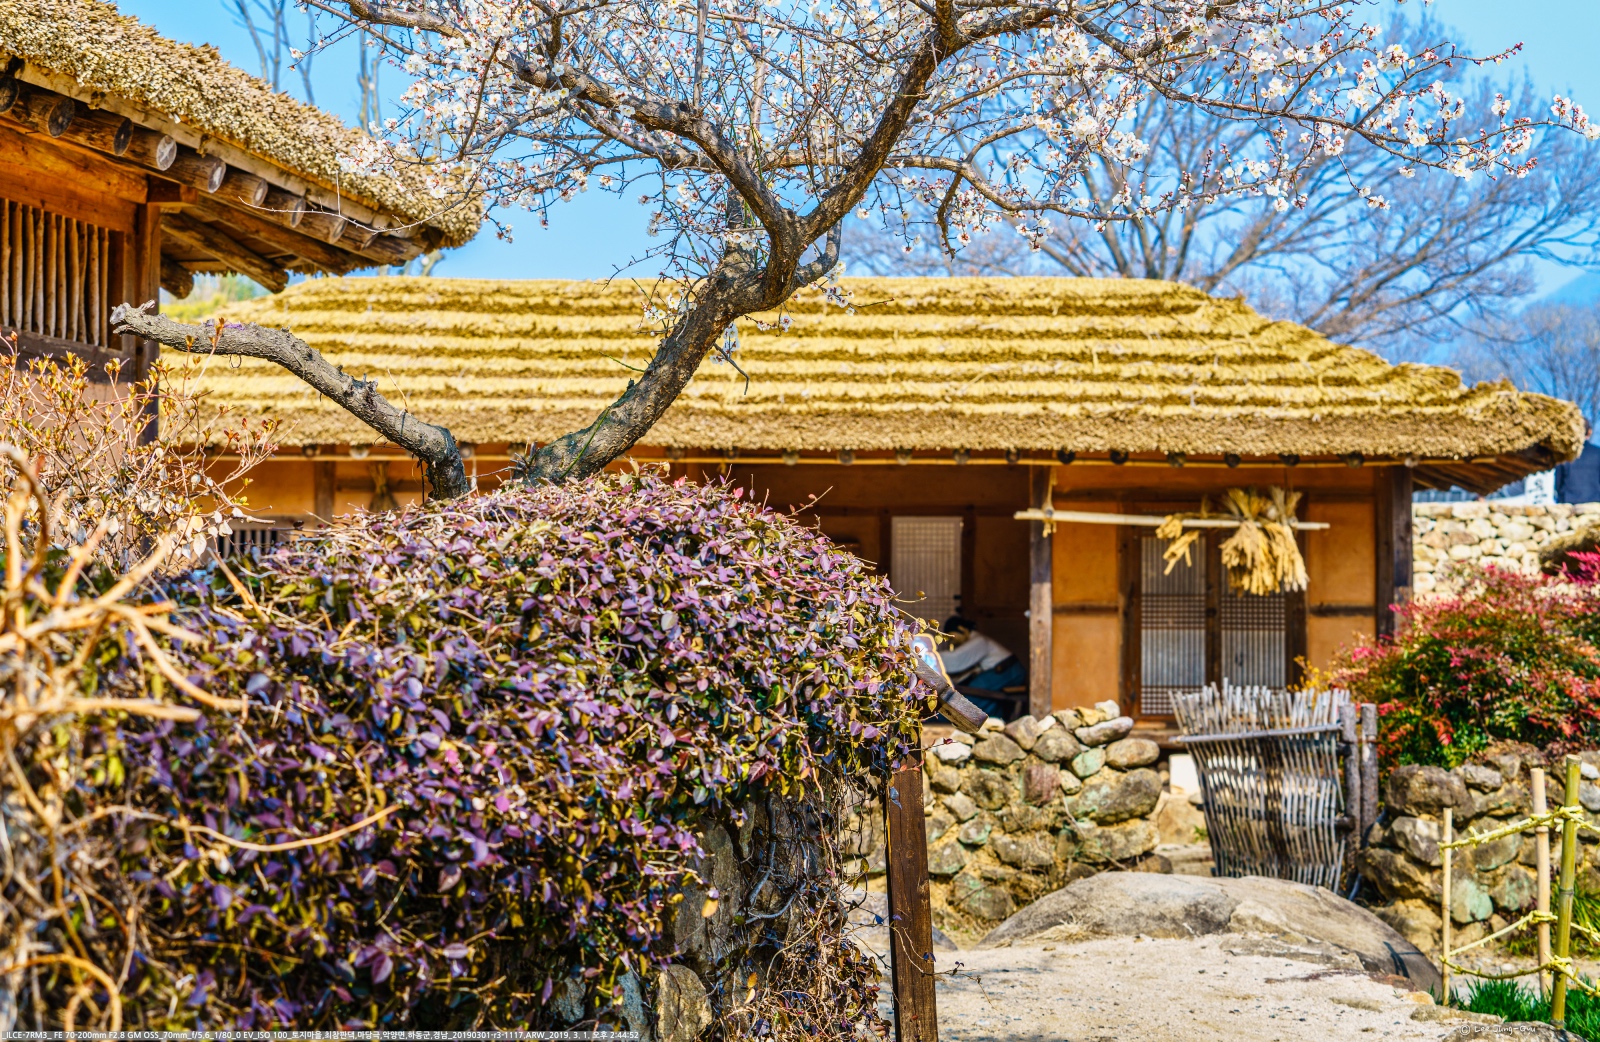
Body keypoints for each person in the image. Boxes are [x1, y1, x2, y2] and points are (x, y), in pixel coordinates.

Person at [938, 615, 1025, 719]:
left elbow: (954, 658)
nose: (952, 641)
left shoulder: (979, 640)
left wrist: (932, 655)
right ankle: (993, 719)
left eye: (952, 637)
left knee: (972, 695)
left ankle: (947, 717)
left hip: (1008, 672)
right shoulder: (977, 640)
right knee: (985, 697)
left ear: (961, 629)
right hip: (1004, 672)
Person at [1555, 421, 1600, 505]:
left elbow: (1558, 482)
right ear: (1590, 432)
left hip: (1569, 504)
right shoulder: (1598, 453)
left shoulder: (1565, 454)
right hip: (1595, 504)